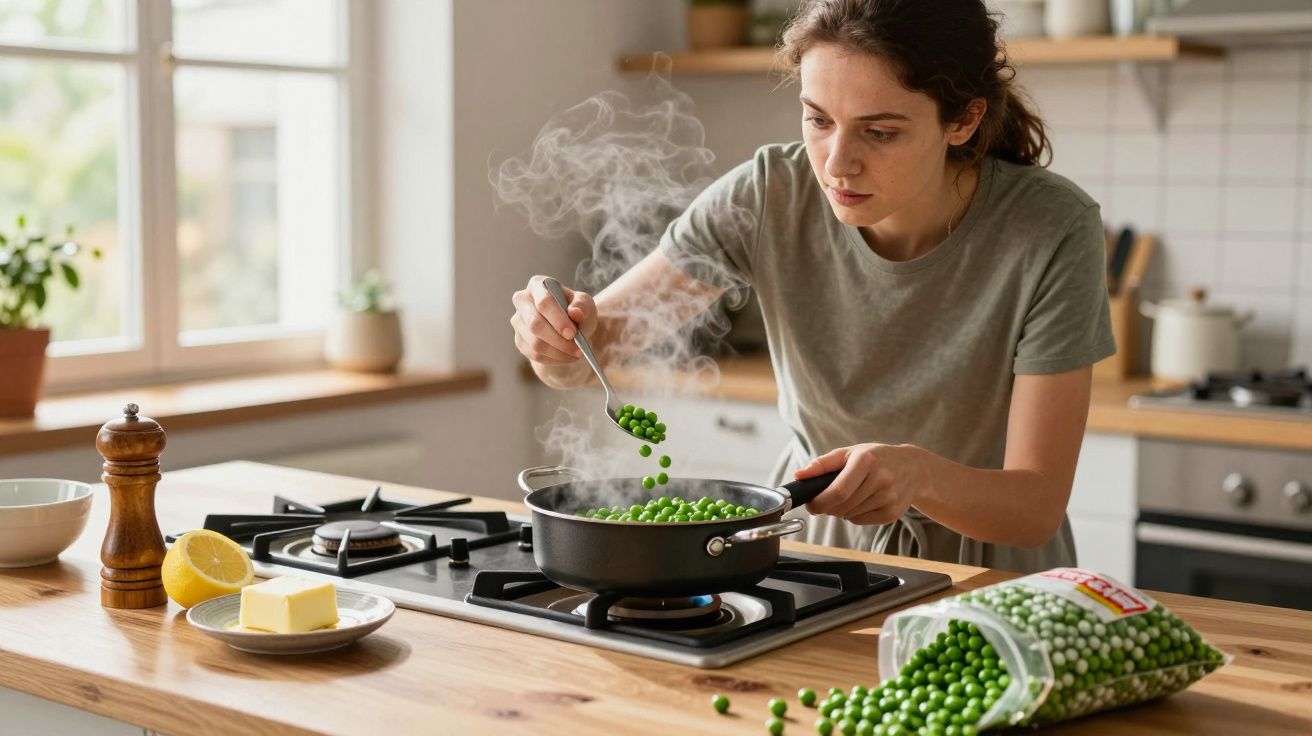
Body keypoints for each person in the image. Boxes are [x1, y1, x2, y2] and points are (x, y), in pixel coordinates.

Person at [509, 0, 1114, 574]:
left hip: (990, 577)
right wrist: (554, 341)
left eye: (879, 132)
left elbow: (1034, 507)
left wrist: (918, 477)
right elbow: (590, 358)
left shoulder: (1051, 228)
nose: (836, 163)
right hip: (825, 561)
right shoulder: (768, 194)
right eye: (818, 120)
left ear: (963, 119)